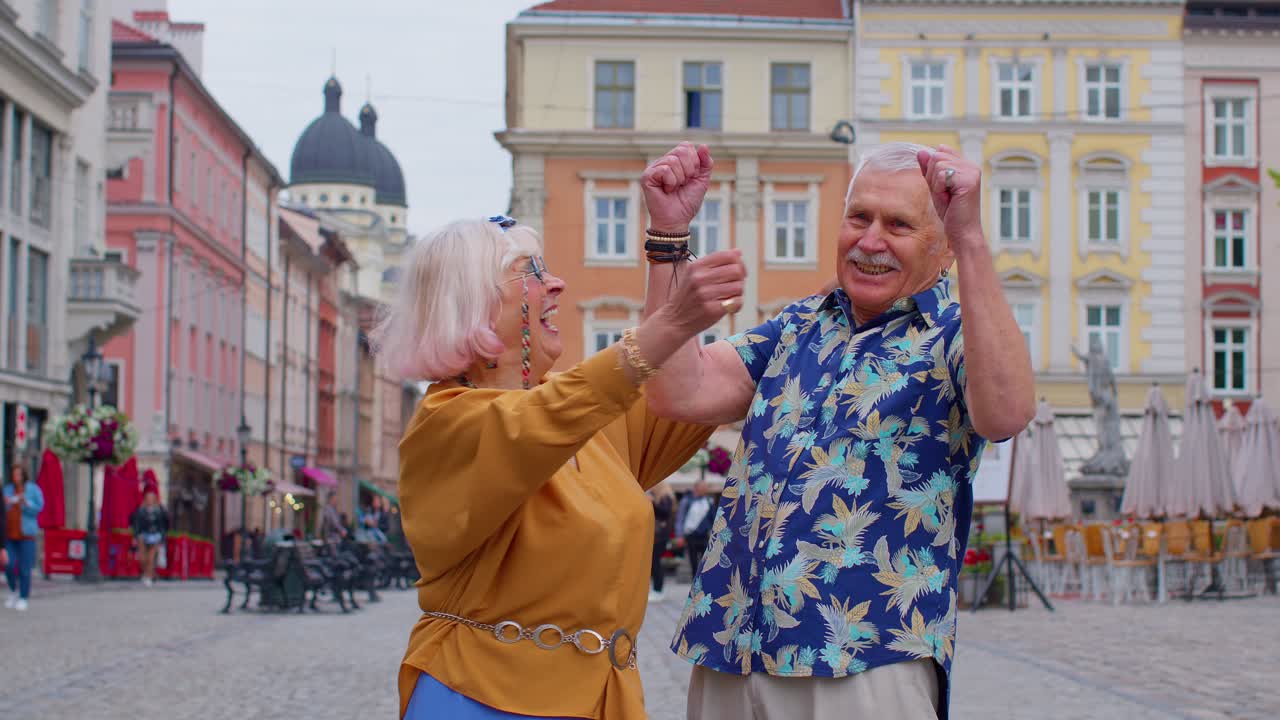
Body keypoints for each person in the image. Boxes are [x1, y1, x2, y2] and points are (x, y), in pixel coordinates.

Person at [641, 142, 1036, 718]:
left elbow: (1006, 414)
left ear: (944, 246)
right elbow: (678, 390)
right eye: (859, 217)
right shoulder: (801, 322)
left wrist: (973, 237)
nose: (870, 241)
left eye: (898, 224)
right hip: (732, 644)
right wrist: (668, 239)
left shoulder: (955, 331)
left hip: (863, 660)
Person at [375, 210, 743, 719]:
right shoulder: (446, 422)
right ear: (474, 304)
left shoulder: (581, 415)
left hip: (597, 699)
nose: (558, 283)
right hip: (482, 698)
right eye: (532, 272)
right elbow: (537, 422)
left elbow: (681, 390)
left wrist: (669, 238)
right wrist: (674, 321)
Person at [5, 463, 44, 611]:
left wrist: (26, 503)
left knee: (24, 568)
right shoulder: (8, 489)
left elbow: (39, 507)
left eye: (19, 474)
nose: (17, 477)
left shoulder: (33, 489)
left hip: (26, 534)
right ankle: (13, 590)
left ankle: (23, 597)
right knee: (8, 564)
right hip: (9, 534)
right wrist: (8, 503)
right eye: (14, 474)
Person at [674, 477, 716, 579]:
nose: (706, 490)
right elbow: (680, 518)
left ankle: (703, 580)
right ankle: (694, 580)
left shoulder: (709, 501)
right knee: (693, 560)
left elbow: (713, 518)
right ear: (697, 488)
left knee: (705, 560)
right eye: (703, 487)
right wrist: (679, 535)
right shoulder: (686, 500)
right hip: (691, 534)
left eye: (706, 487)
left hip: (704, 534)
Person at [130, 489, 169, 586]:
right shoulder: (140, 510)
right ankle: (148, 573)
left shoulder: (159, 510)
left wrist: (162, 537)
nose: (149, 500)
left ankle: (148, 576)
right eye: (148, 498)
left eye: (151, 498)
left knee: (151, 558)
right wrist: (136, 536)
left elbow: (165, 524)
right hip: (143, 535)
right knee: (142, 558)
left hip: (155, 535)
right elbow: (135, 523)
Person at [647, 481, 676, 602]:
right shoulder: (661, 497)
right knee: (654, 562)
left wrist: (652, 502)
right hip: (657, 535)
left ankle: (658, 590)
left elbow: (664, 513)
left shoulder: (665, 497)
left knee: (656, 562)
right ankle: (656, 589)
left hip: (661, 536)